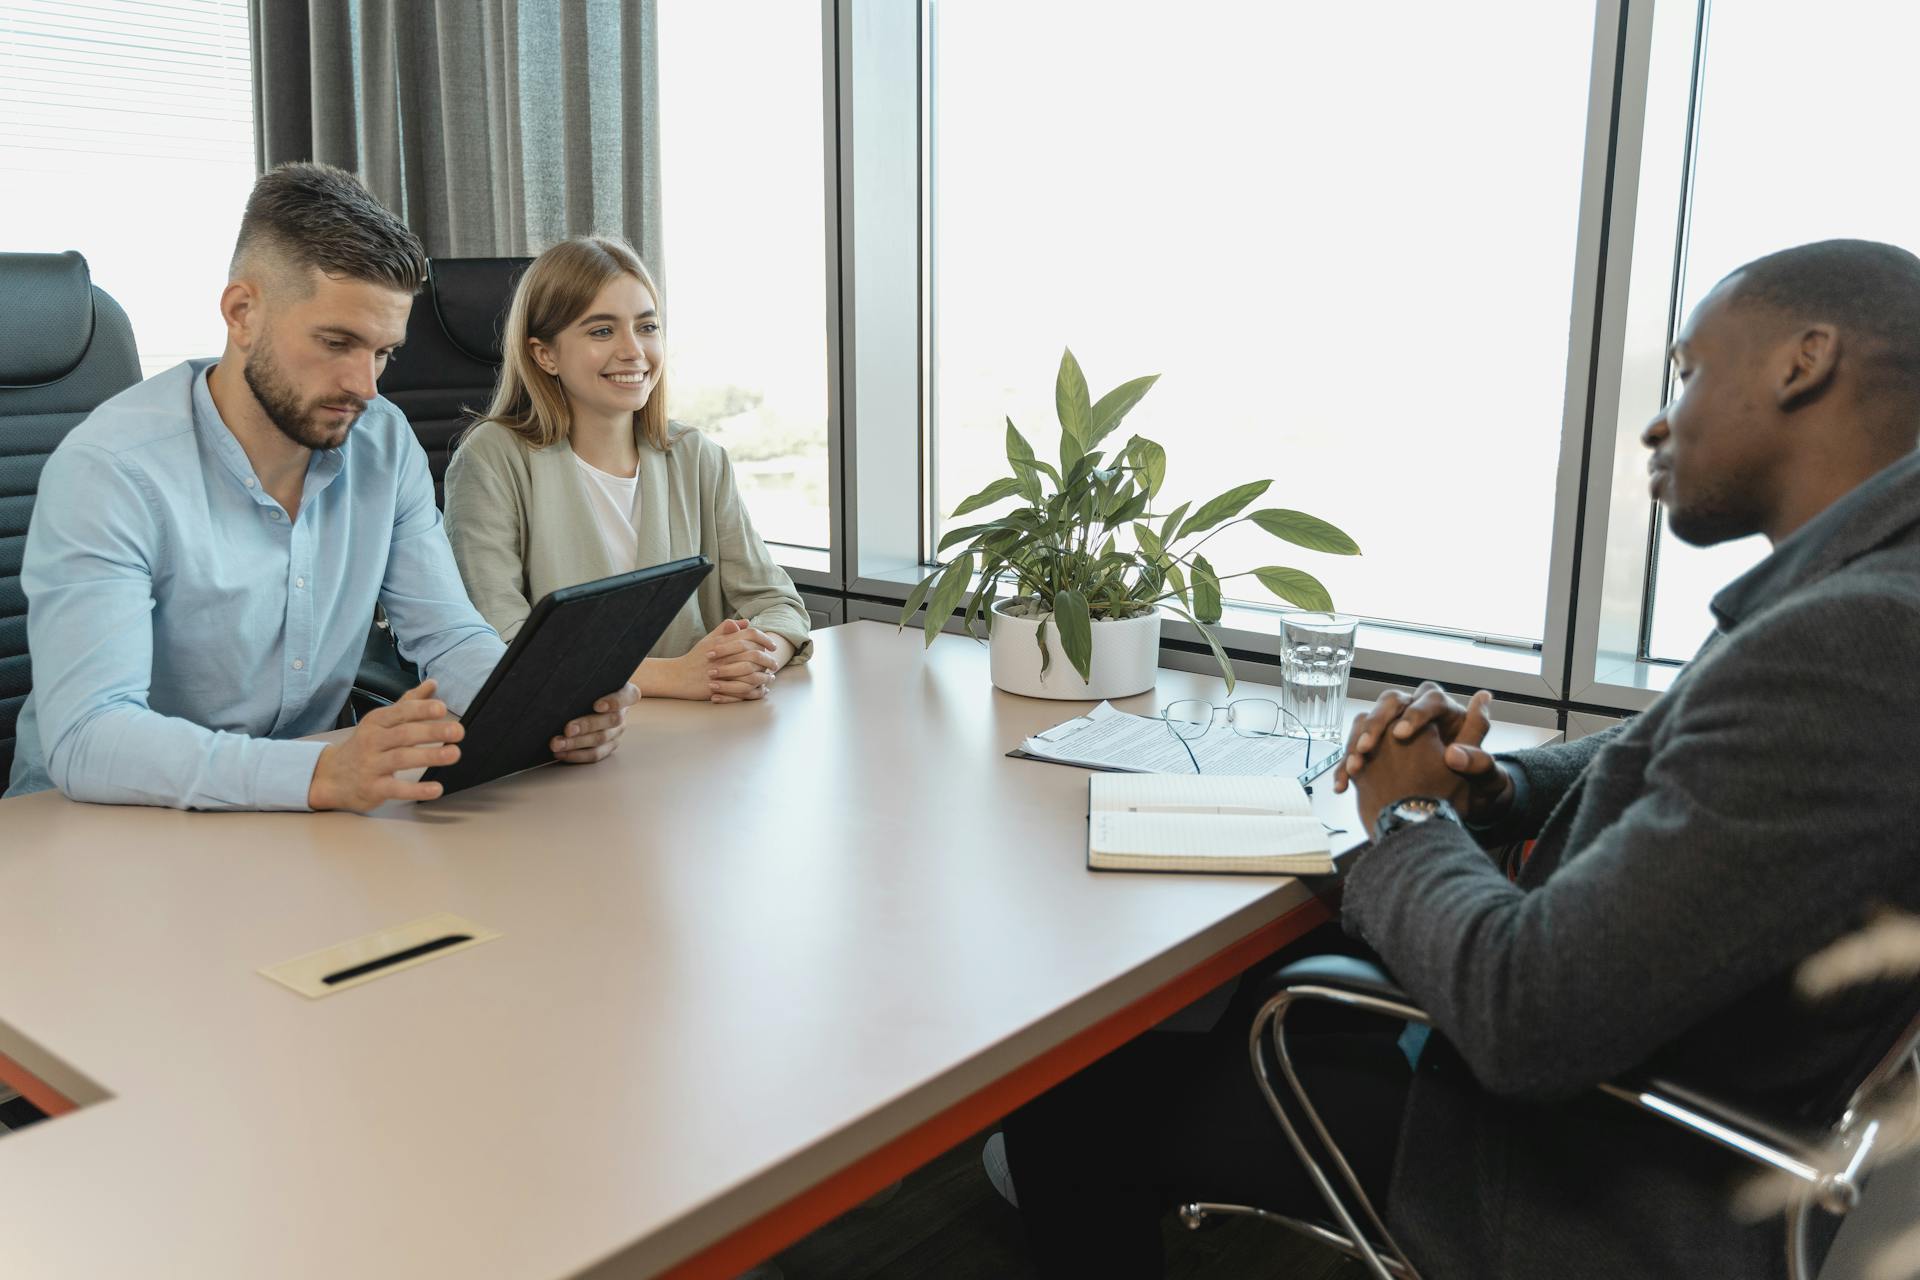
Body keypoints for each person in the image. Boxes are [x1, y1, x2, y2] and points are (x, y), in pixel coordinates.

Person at [1000, 238, 1920, 1279]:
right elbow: (1670, 747)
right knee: (1257, 982)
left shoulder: (1854, 643)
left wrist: (1410, 819)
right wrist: (1502, 783)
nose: (1663, 421)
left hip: (1579, 1169)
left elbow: (1531, 1016)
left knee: (1069, 1092)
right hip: (1645, 1069)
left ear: (1805, 361)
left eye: (1691, 370)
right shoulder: (1865, 595)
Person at [6, 163, 638, 812]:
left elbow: (447, 636)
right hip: (94, 828)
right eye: (337, 342)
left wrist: (542, 712)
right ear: (242, 313)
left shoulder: (383, 442)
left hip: (291, 815)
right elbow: (89, 739)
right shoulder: (112, 470)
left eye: (384, 352)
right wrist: (321, 775)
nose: (366, 387)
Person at [442, 236, 811, 704]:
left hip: (700, 729)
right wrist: (675, 677)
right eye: (602, 331)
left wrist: (756, 658)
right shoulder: (492, 458)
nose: (633, 350)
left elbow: (776, 602)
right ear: (544, 354)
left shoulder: (696, 456)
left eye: (647, 327)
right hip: (568, 734)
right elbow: (499, 640)